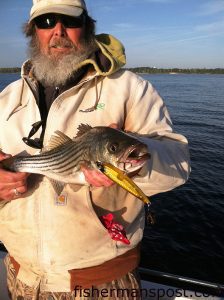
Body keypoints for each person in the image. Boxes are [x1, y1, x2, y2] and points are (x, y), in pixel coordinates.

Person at [0, 0, 190, 299]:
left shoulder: (128, 88)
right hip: (21, 275)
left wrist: (137, 161)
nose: (58, 30)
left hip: (101, 282)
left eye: (70, 21)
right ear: (32, 31)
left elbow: (179, 165)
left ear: (87, 27)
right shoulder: (9, 97)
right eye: (46, 22)